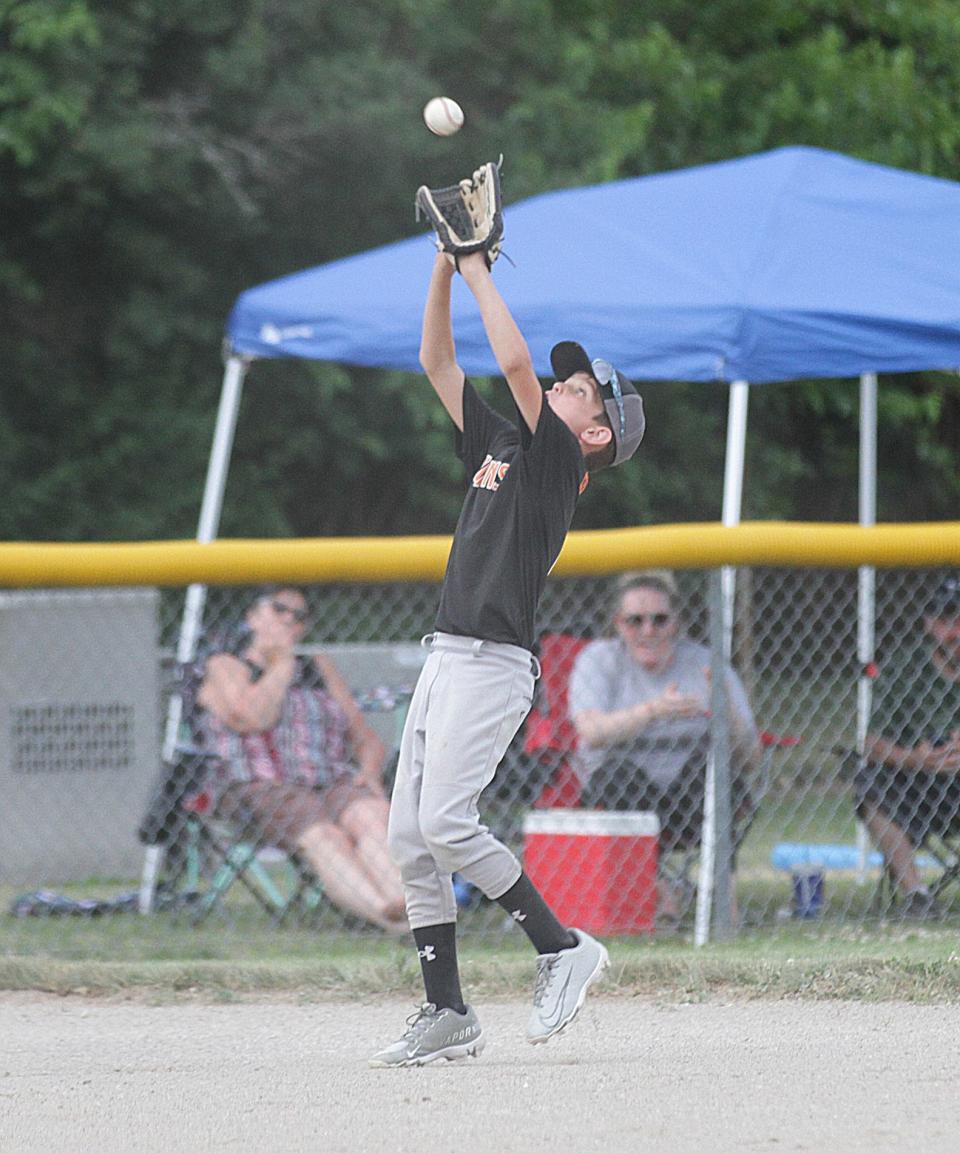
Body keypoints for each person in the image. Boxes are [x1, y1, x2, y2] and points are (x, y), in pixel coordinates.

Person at [369, 247, 646, 1068]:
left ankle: (562, 948)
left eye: (580, 391)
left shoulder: (562, 463)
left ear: (595, 433)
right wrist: (443, 270)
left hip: (493, 664)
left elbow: (515, 359)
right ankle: (447, 1010)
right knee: (411, 841)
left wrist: (478, 263)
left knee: (448, 822)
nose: (560, 388)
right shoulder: (502, 441)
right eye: (563, 384)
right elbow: (436, 360)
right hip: (447, 656)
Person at [193, 585, 407, 933]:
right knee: (324, 833)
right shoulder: (225, 665)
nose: (290, 620)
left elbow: (364, 738)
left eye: (300, 616)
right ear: (253, 617)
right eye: (279, 610)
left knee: (372, 815)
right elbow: (250, 717)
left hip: (328, 779)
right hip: (260, 788)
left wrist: (368, 773)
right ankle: (388, 915)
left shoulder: (318, 665)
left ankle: (407, 908)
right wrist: (283, 663)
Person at [568, 569, 761, 922]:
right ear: (618, 624)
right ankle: (659, 893)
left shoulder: (705, 662)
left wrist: (726, 710)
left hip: (689, 799)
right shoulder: (598, 660)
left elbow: (750, 758)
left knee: (718, 772)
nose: (648, 631)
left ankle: (723, 901)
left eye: (659, 620)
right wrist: (653, 711)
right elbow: (591, 732)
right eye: (635, 621)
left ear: (677, 624)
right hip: (624, 795)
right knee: (618, 776)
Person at [856, 572, 960, 919]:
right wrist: (917, 759)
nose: (955, 631)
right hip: (918, 786)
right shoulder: (906, 665)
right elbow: (872, 743)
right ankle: (917, 895)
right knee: (869, 781)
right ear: (930, 623)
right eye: (947, 621)